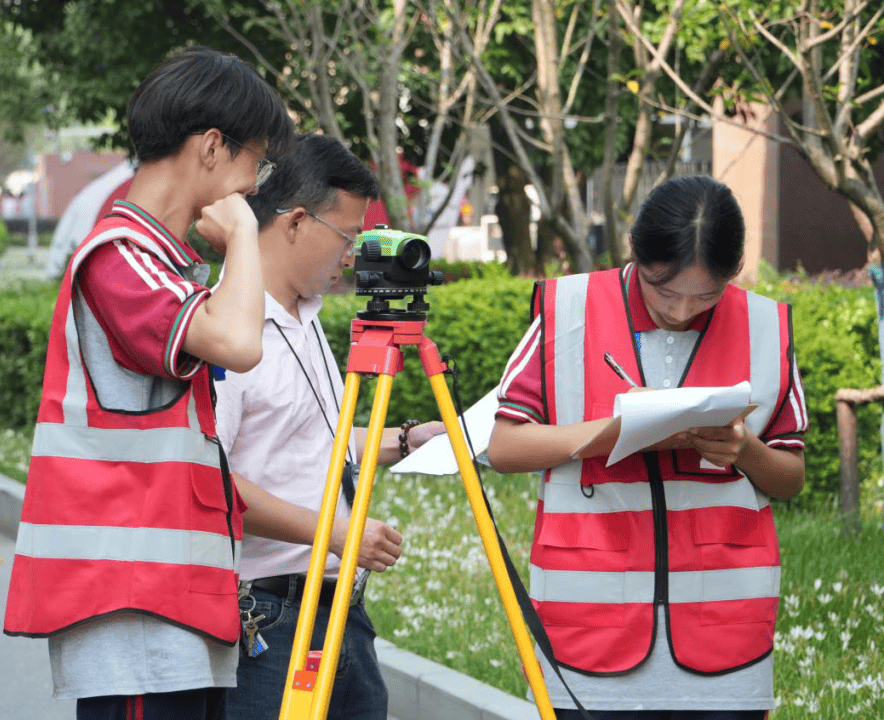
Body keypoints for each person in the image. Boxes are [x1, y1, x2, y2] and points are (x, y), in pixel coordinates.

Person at [2, 46, 293, 720]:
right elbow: (240, 344)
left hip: (166, 603)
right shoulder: (118, 256)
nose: (255, 186)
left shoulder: (159, 259)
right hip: (132, 608)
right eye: (257, 161)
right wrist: (245, 239)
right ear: (213, 147)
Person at [487, 175, 808, 720]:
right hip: (590, 630)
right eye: (664, 290)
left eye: (706, 295)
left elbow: (790, 476)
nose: (682, 310)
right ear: (635, 251)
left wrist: (744, 450)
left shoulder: (763, 325)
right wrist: (611, 433)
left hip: (726, 636)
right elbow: (503, 446)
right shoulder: (568, 309)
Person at [214, 133, 444, 720]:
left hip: (341, 612)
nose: (353, 255)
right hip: (268, 620)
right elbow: (213, 481)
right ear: (295, 222)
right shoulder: (226, 329)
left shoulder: (306, 318)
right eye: (347, 236)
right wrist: (338, 536)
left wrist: (406, 438)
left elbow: (319, 440)